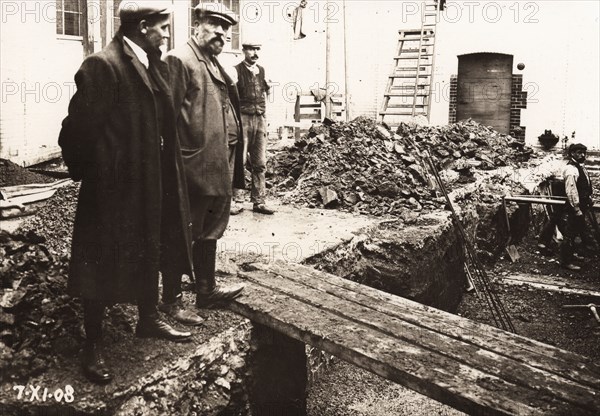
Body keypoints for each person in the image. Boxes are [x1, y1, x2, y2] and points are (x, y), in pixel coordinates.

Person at [58, 1, 194, 385]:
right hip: (114, 189)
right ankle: (93, 344)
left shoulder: (156, 64)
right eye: (163, 27)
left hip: (153, 182)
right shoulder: (104, 65)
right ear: (143, 26)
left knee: (150, 244)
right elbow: (77, 130)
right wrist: (95, 176)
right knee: (99, 259)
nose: (167, 35)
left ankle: (148, 319)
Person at [162, 2, 244, 316]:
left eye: (226, 28)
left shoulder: (214, 64)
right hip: (191, 168)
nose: (221, 32)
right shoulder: (180, 59)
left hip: (217, 166)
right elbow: (164, 121)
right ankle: (171, 301)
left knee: (211, 230)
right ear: (197, 24)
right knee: (180, 231)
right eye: (214, 24)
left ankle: (206, 290)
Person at [234, 41, 276, 215]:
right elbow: (231, 97)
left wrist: (266, 117)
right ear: (244, 51)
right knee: (240, 161)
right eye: (251, 49)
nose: (255, 53)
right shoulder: (236, 71)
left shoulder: (262, 71)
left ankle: (259, 201)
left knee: (260, 163)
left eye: (257, 49)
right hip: (243, 119)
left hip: (259, 119)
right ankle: (237, 201)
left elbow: (267, 93)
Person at [559, 143, 596, 270]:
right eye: (579, 153)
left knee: (576, 231)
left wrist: (589, 197)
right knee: (570, 233)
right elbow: (571, 190)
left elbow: (584, 184)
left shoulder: (580, 166)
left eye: (584, 153)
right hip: (574, 207)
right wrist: (576, 208)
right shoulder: (571, 169)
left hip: (583, 204)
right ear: (572, 154)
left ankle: (572, 254)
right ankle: (565, 261)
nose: (582, 155)